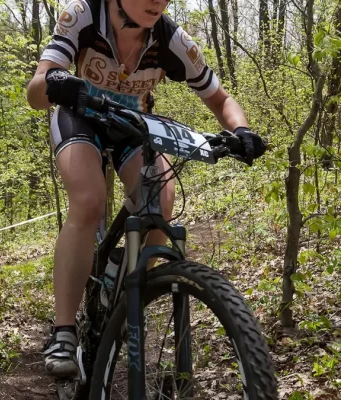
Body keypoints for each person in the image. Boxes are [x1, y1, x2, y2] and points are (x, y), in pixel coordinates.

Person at [27, 0, 266, 378]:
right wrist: (54, 83)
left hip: (132, 125)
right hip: (79, 117)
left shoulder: (173, 40)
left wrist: (242, 130)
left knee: (161, 203)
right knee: (89, 201)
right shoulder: (83, 15)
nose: (157, 1)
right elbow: (35, 94)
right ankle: (64, 331)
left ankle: (126, 300)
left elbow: (220, 99)